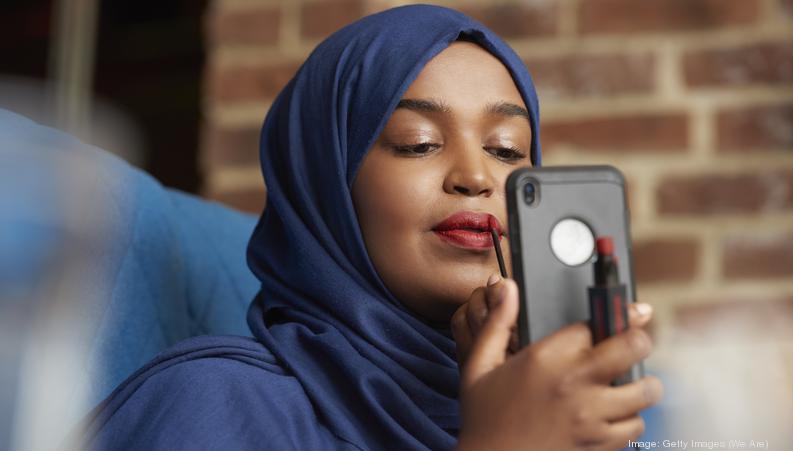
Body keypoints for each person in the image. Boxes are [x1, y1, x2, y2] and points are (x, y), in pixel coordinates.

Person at [81, 4, 662, 450]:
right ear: (326, 184)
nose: (476, 176)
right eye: (419, 143)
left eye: (507, 150)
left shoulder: (567, 413)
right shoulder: (215, 407)